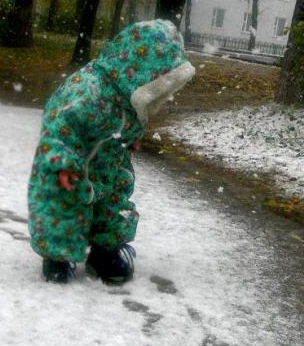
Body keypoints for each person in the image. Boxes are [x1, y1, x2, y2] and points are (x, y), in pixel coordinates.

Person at [27, 19, 195, 284]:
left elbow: (131, 120)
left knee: (114, 202)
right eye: (157, 86)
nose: (159, 96)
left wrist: (131, 139)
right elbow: (59, 126)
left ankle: (104, 252)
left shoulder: (129, 96)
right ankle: (57, 257)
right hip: (71, 160)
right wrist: (63, 162)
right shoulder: (88, 91)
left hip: (109, 161)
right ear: (138, 72)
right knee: (63, 205)